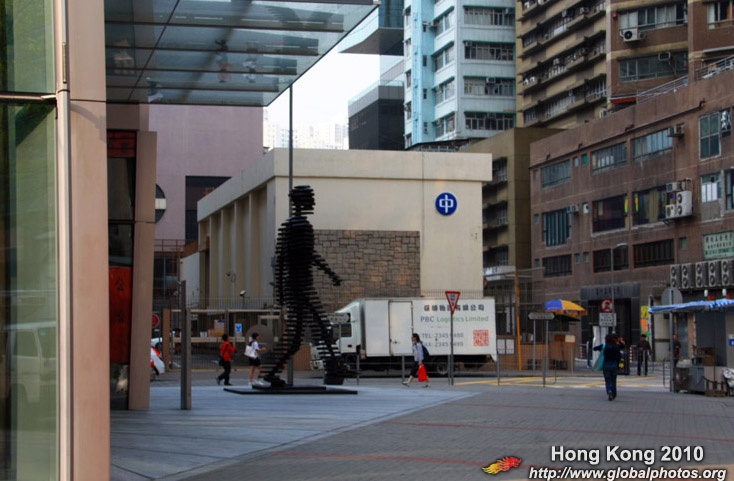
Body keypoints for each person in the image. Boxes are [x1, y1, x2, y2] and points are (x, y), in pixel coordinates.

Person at [593, 333, 622, 401]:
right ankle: (614, 394)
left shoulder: (604, 346)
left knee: (607, 380)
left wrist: (601, 350)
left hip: (606, 365)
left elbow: (594, 348)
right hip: (614, 365)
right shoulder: (616, 347)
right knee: (613, 380)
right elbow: (619, 356)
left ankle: (609, 390)